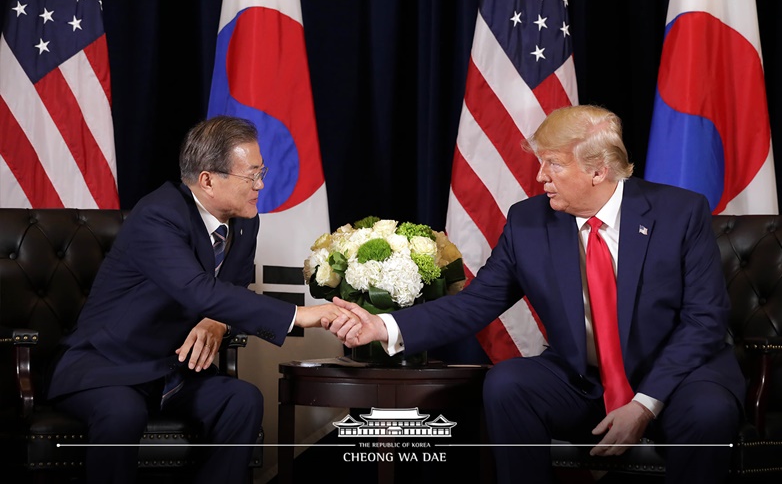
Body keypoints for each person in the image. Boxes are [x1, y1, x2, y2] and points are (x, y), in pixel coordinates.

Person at [325, 105, 745, 484]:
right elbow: (477, 303)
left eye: (553, 165)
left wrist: (645, 402)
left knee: (709, 411)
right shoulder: (528, 222)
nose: (540, 176)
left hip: (677, 379)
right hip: (585, 382)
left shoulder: (680, 212)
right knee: (509, 383)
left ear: (598, 170)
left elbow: (704, 320)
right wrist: (383, 326)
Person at [47, 115, 348, 484]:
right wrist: (301, 315)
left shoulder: (245, 219)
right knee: (122, 413)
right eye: (250, 175)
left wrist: (216, 321)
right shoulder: (157, 215)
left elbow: (233, 287)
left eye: (261, 171)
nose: (261, 184)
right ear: (207, 179)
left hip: (174, 370)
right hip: (110, 365)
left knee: (243, 400)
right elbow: (196, 289)